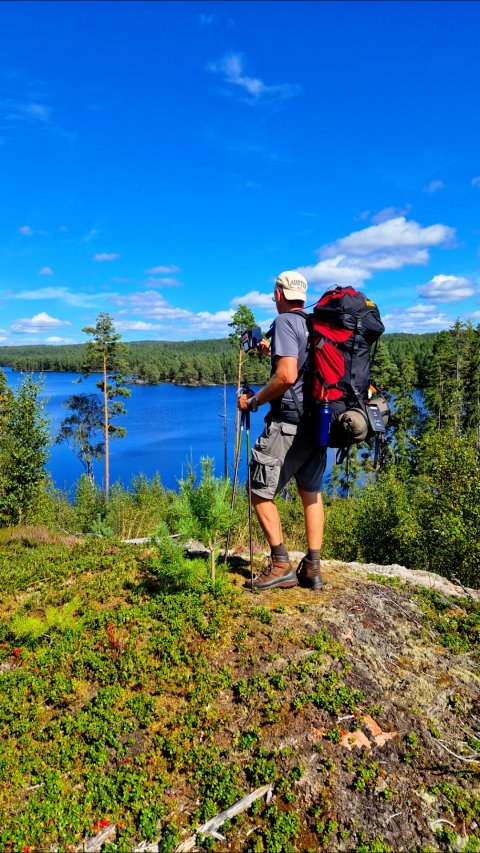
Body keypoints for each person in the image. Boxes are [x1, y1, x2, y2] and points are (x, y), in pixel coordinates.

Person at [237, 271, 326, 591]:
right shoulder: (312, 324)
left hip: (289, 424)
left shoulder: (286, 323)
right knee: (310, 493)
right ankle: (313, 568)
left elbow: (287, 376)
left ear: (278, 294)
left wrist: (255, 401)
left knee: (258, 491)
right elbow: (300, 366)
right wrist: (268, 350)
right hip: (317, 423)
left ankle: (280, 566)